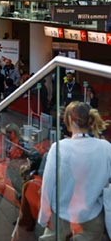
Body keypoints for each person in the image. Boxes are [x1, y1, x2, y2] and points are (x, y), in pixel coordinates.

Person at [38, 101, 111, 240]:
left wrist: (44, 217)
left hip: (60, 217)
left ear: (70, 120)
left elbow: (47, 186)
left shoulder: (58, 148)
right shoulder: (106, 148)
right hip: (92, 218)